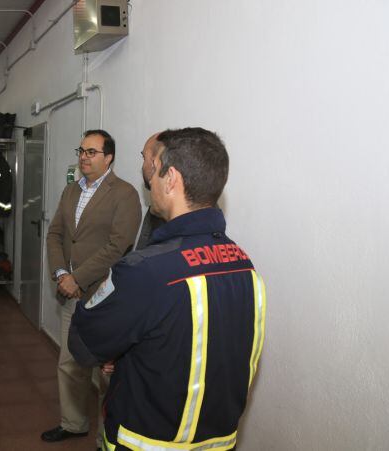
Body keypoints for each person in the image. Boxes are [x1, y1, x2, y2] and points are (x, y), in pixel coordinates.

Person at [69, 128, 267, 451]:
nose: (151, 178)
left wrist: (122, 348)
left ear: (171, 178)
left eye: (154, 167)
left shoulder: (146, 270)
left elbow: (83, 340)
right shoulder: (246, 267)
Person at [42, 130, 142, 448]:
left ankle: (106, 436)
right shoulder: (72, 191)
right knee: (69, 363)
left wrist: (78, 277)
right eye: (81, 151)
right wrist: (61, 273)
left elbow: (118, 246)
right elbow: (56, 233)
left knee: (107, 372)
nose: (84, 157)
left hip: (105, 297)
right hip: (71, 294)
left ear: (108, 157)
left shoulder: (124, 194)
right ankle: (73, 423)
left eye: (92, 152)